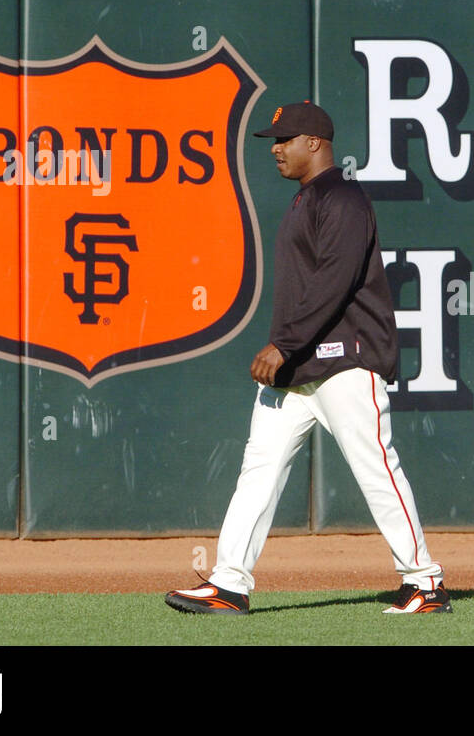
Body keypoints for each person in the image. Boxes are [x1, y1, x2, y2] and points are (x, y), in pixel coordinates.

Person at [165, 101, 450, 615]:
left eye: (285, 139)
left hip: (344, 363)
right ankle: (229, 583)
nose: (275, 148)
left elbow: (334, 282)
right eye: (274, 140)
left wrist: (284, 343)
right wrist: (291, 350)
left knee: (377, 471)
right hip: (299, 370)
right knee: (259, 471)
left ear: (314, 143)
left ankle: (425, 583)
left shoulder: (342, 199)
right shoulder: (306, 199)